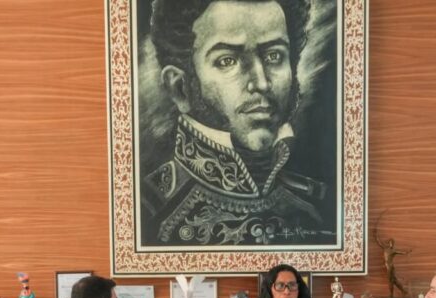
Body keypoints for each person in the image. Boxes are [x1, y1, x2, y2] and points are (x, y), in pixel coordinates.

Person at [141, 0, 330, 248]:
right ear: (180, 88)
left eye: (274, 56)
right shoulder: (148, 209)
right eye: (227, 60)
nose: (261, 83)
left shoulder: (317, 204)